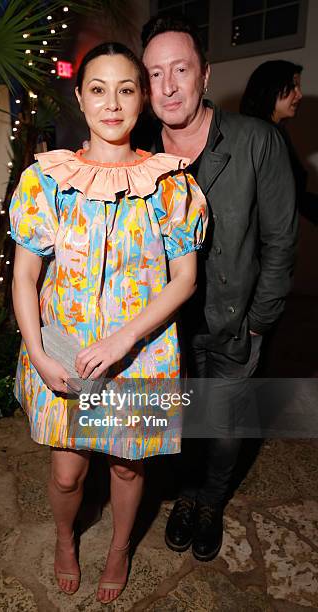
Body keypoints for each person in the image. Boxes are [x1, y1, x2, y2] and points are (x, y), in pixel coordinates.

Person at [10, 42, 207, 603]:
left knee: (126, 470)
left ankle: (120, 548)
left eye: (126, 89)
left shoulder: (170, 183)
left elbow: (185, 279)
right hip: (63, 352)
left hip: (140, 355)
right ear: (80, 97)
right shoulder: (47, 179)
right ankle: (64, 537)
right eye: (98, 89)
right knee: (68, 474)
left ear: (142, 99)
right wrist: (39, 354)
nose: (112, 103)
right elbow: (25, 279)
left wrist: (124, 338)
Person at [140, 14, 298, 561]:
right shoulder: (136, 153)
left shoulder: (259, 141)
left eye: (180, 69)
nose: (169, 86)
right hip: (162, 330)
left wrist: (260, 320)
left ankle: (210, 500)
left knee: (227, 426)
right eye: (156, 73)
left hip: (235, 323)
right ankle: (185, 493)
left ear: (204, 75)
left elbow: (281, 241)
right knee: (182, 420)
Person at [240, 60, 318, 224]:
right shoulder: (260, 135)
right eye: (293, 86)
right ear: (271, 88)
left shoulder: (273, 132)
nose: (299, 94)